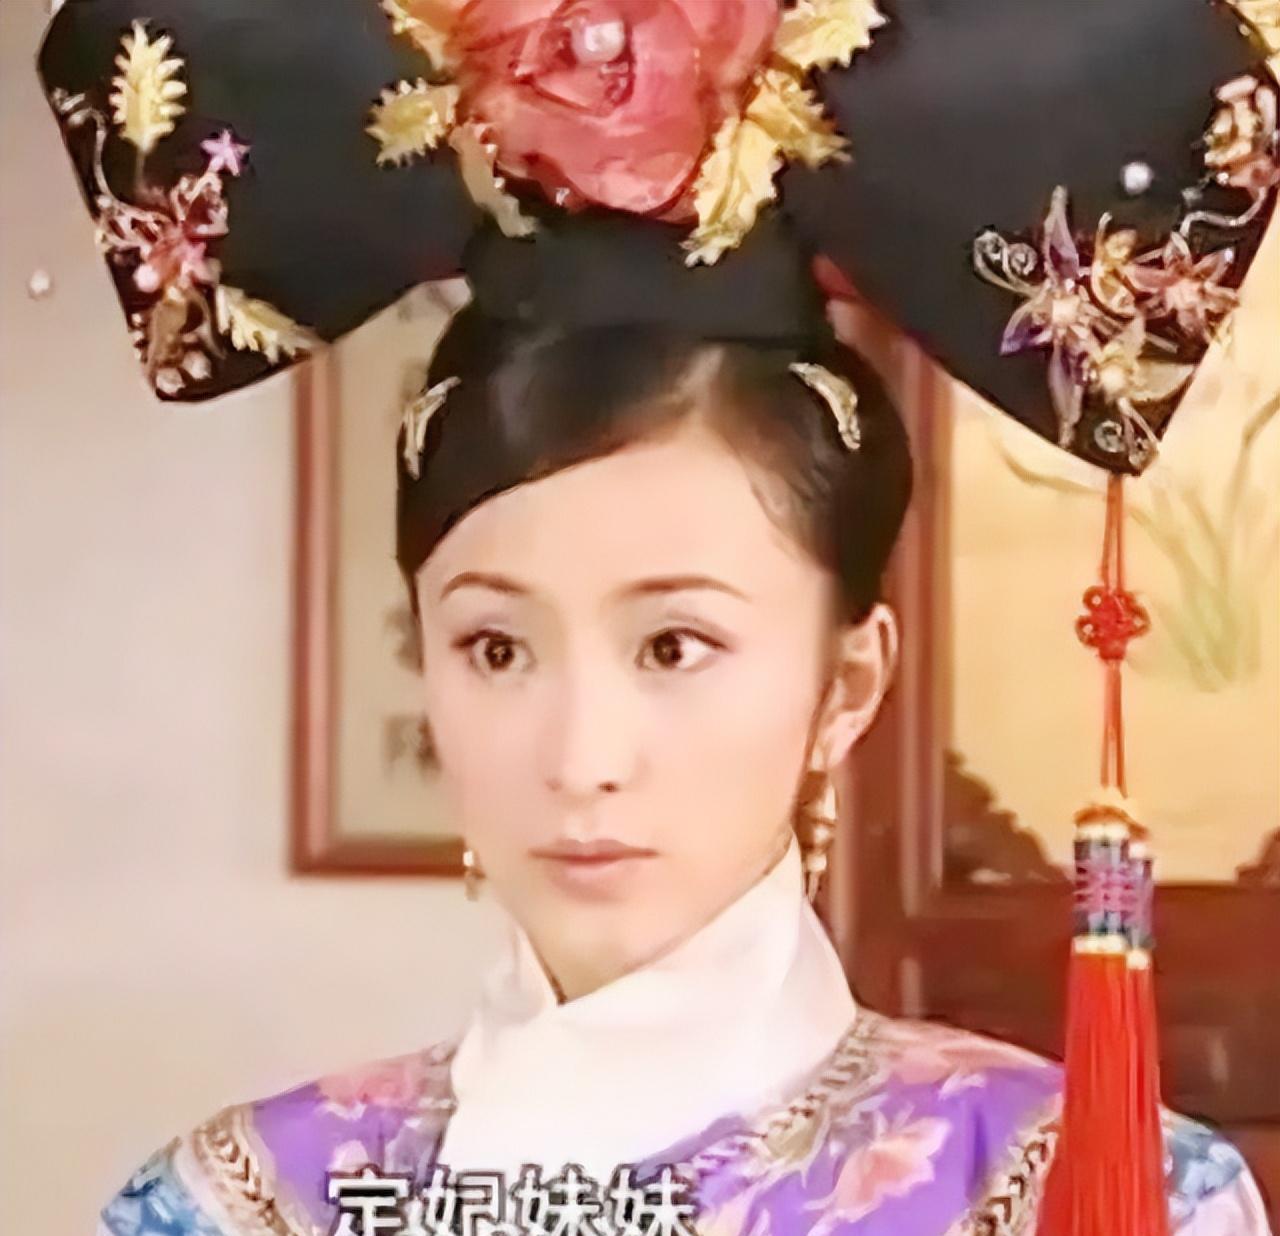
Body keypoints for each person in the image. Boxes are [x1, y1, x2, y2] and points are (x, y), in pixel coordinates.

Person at [36, 0, 1278, 1233]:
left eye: (675, 646)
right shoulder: (237, 1206)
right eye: (495, 647)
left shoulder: (1080, 1191)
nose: (581, 758)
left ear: (846, 686)